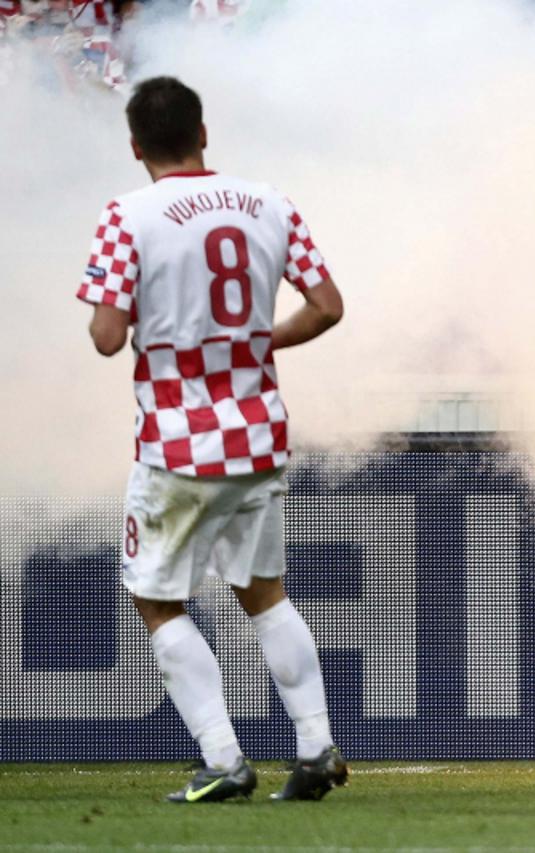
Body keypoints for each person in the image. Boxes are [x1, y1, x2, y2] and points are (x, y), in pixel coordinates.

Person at [78, 76, 348, 802]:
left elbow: (107, 338)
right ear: (204, 132)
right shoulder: (269, 202)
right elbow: (327, 307)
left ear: (135, 147)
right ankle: (317, 746)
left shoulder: (125, 215)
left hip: (177, 443)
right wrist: (258, 341)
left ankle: (224, 759)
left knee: (158, 600)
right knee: (265, 595)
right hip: (258, 432)